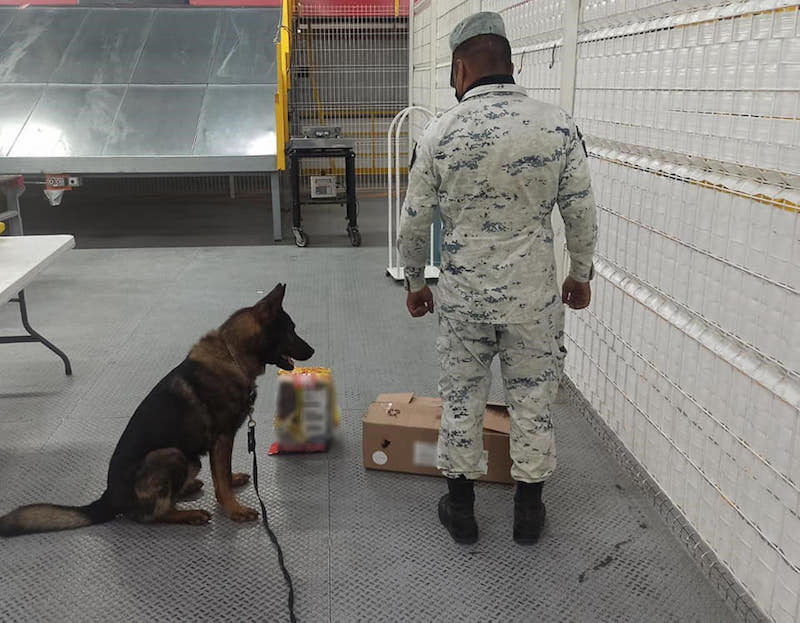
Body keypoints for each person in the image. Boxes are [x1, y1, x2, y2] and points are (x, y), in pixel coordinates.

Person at [398, 12, 597, 545]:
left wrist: (416, 282)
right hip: (534, 298)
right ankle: (528, 513)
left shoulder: (440, 132)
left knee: (461, 397)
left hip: (463, 299)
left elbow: (414, 220)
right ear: (512, 63)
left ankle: (461, 510)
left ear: (461, 68)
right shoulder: (556, 124)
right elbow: (580, 211)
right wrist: (579, 275)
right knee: (532, 398)